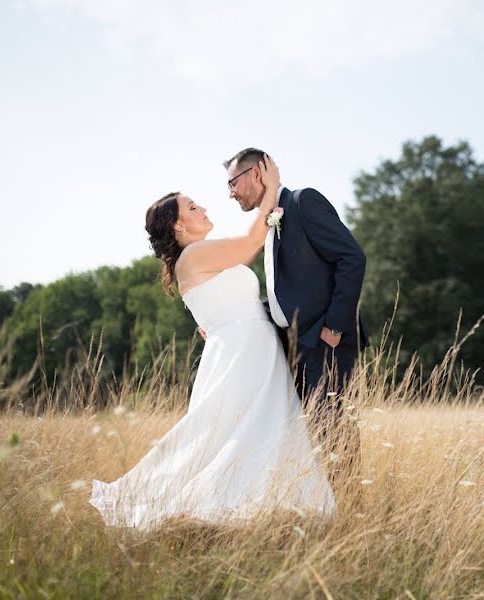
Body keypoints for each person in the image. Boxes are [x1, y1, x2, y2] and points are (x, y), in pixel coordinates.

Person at [89, 156, 335, 530]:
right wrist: (272, 187)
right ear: (177, 225)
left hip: (248, 348)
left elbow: (225, 305)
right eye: (192, 207)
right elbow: (253, 241)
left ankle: (269, 511)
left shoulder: (197, 258)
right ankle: (223, 510)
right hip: (242, 354)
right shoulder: (194, 255)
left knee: (251, 431)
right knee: (239, 433)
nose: (203, 207)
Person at [223, 148, 368, 489]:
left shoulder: (304, 203)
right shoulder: (269, 222)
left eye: (232, 183)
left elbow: (352, 258)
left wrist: (333, 327)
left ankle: (350, 510)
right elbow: (282, 296)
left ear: (256, 174)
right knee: (307, 434)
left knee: (332, 430)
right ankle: (325, 509)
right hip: (295, 347)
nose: (230, 193)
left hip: (324, 341)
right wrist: (225, 319)